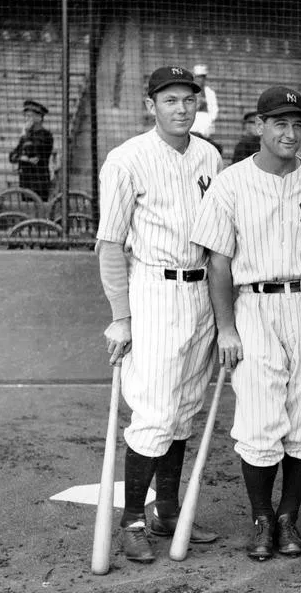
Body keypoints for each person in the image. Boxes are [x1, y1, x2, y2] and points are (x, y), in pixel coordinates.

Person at [190, 86, 301, 561]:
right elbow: (218, 263)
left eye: (298, 123)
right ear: (258, 126)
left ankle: (288, 516)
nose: (290, 132)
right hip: (255, 306)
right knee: (259, 420)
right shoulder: (230, 183)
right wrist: (226, 328)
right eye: (280, 122)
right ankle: (261, 518)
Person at [96, 65, 223, 563]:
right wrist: (120, 316)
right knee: (153, 411)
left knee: (185, 408)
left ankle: (166, 511)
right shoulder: (127, 159)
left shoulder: (209, 155)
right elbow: (109, 246)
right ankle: (131, 519)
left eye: (188, 99)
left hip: (201, 291)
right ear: (151, 105)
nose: (181, 108)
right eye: (170, 100)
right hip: (153, 289)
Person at [8, 100, 54, 201]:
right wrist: (24, 158)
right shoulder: (27, 135)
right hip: (25, 181)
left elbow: (33, 152)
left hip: (39, 182)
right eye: (26, 116)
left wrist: (23, 157)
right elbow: (12, 157)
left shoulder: (46, 135)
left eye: (30, 116)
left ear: (39, 117)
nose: (27, 119)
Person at [191, 64, 220, 150]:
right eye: (198, 77)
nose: (200, 79)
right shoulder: (189, 91)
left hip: (206, 121)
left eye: (202, 77)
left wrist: (209, 119)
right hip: (193, 121)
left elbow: (214, 109)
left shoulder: (210, 92)